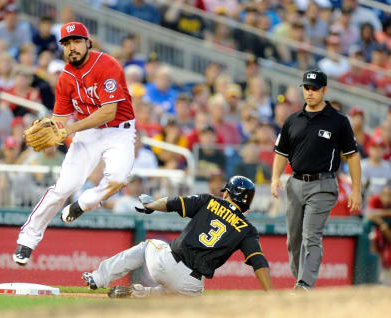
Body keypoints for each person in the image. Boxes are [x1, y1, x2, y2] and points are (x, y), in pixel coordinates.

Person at [13, 22, 135, 266]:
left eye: (77, 41)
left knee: (119, 178)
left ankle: (85, 203)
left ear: (88, 42)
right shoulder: (65, 79)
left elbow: (108, 112)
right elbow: (59, 120)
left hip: (118, 131)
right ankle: (27, 240)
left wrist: (70, 129)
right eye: (67, 43)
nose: (72, 47)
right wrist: (54, 131)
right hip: (87, 134)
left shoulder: (107, 65)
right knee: (63, 187)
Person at [81, 176, 272, 297]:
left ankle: (99, 278)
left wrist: (151, 205)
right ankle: (139, 294)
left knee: (148, 245)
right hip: (192, 286)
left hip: (168, 264)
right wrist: (271, 295)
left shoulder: (210, 201)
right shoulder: (248, 229)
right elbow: (259, 263)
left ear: (229, 194)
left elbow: (174, 203)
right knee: (176, 295)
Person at [271, 69, 362, 290]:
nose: (310, 93)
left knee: (311, 235)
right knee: (293, 240)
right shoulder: (292, 120)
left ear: (325, 90)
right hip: (295, 183)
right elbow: (281, 153)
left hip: (323, 184)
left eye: (315, 89)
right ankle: (299, 282)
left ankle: (304, 284)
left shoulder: (339, 121)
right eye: (306, 88)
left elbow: (352, 155)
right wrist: (274, 178)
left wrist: (356, 190)